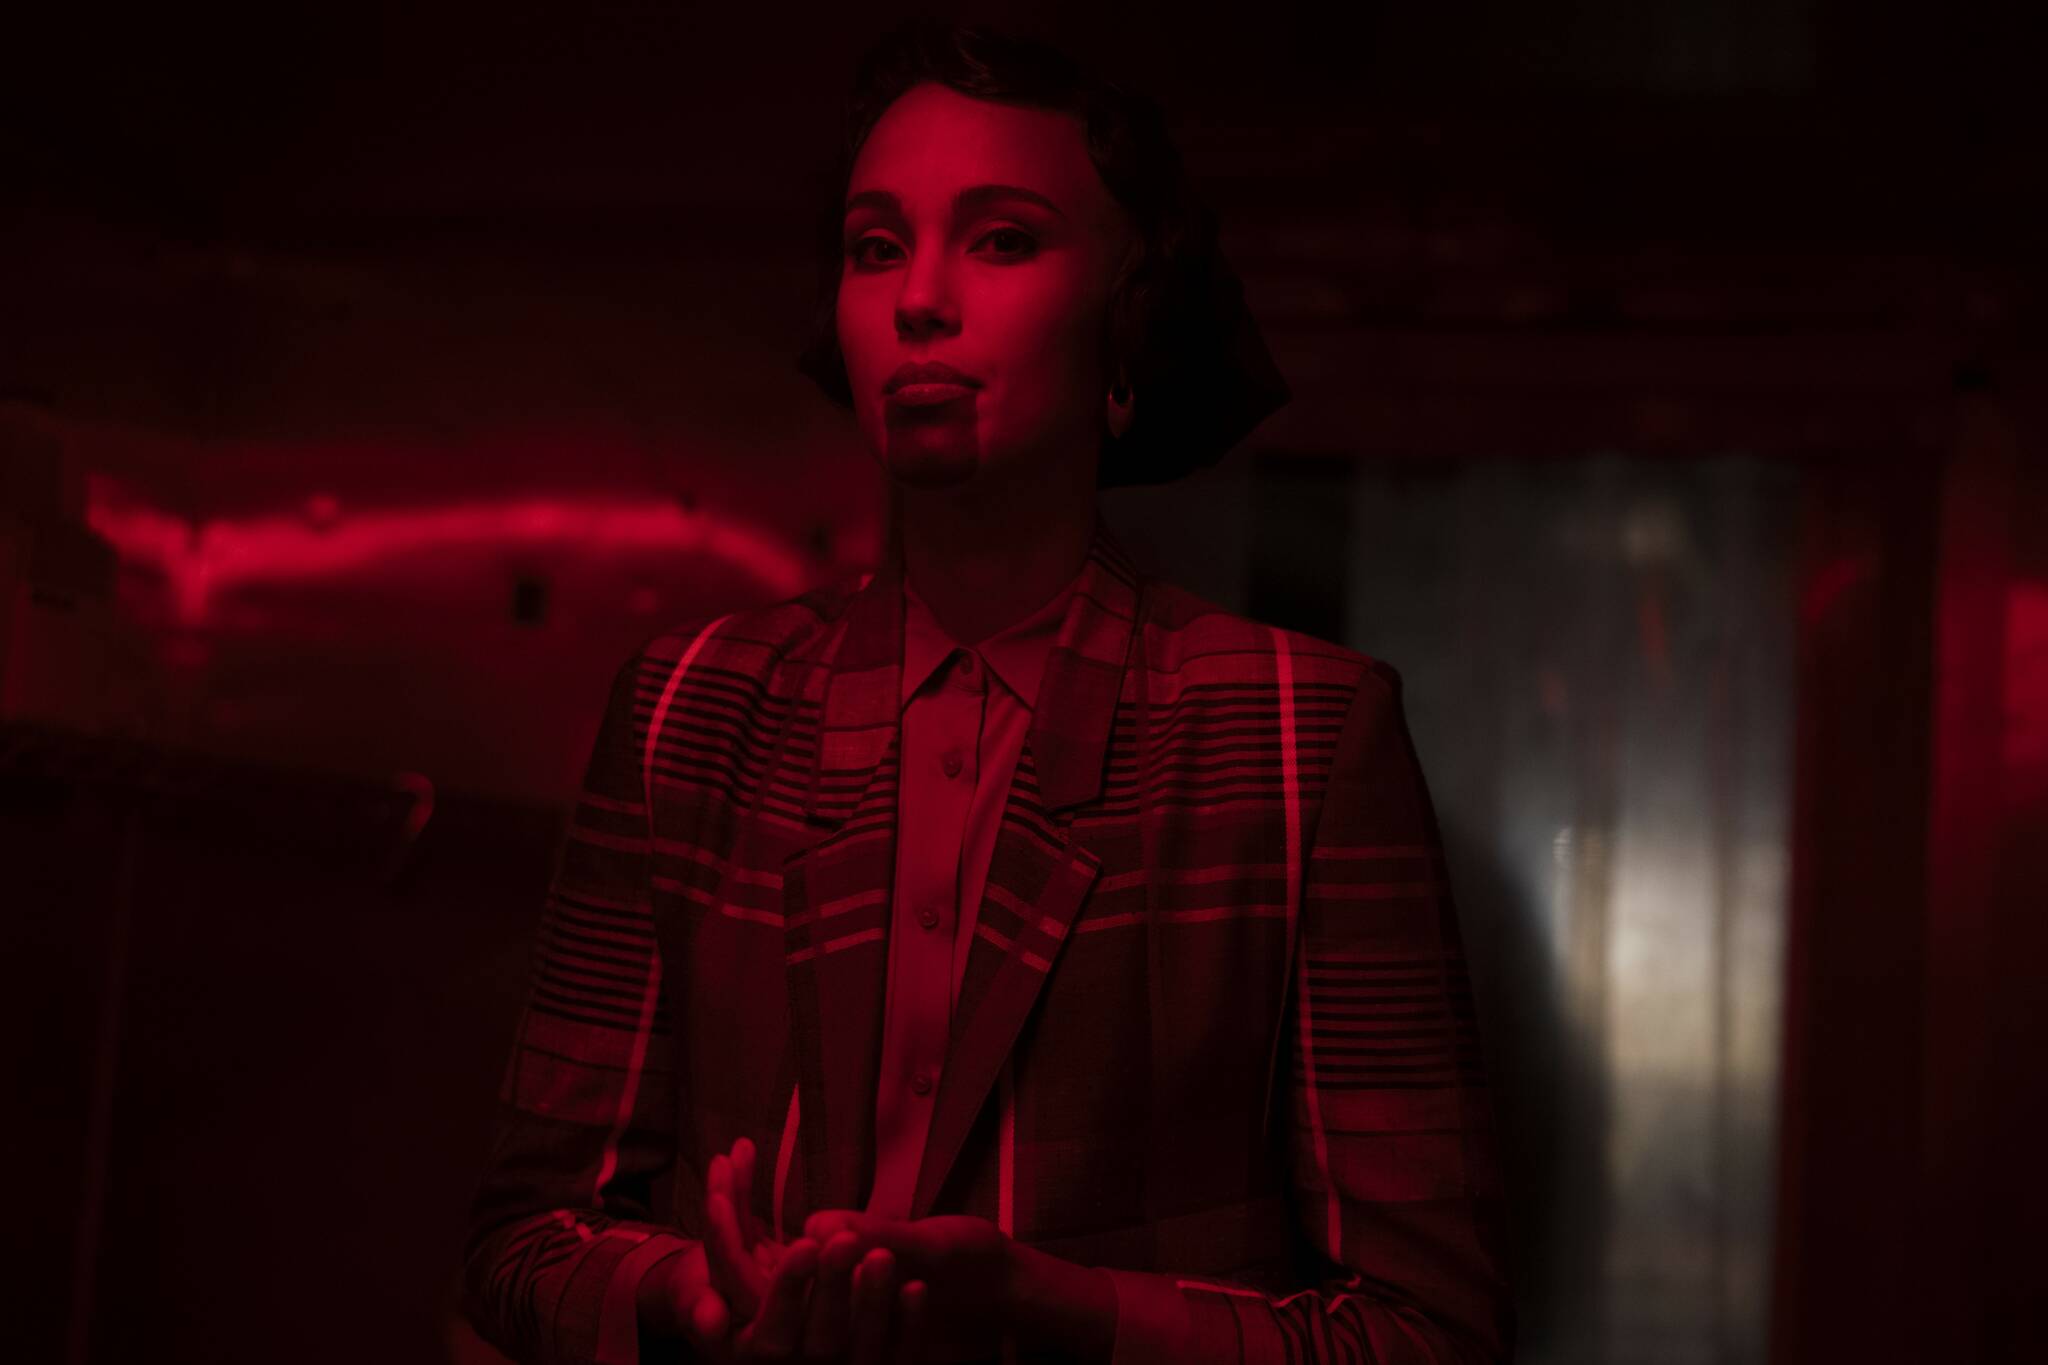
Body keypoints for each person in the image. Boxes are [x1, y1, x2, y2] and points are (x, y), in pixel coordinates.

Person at [460, 18, 1512, 1365]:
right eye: (874, 246)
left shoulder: (1300, 736)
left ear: (1126, 325)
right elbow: (524, 1238)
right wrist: (693, 1298)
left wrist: (1053, 1309)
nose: (919, 299)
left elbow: (1430, 1332)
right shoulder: (690, 711)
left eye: (1003, 239)